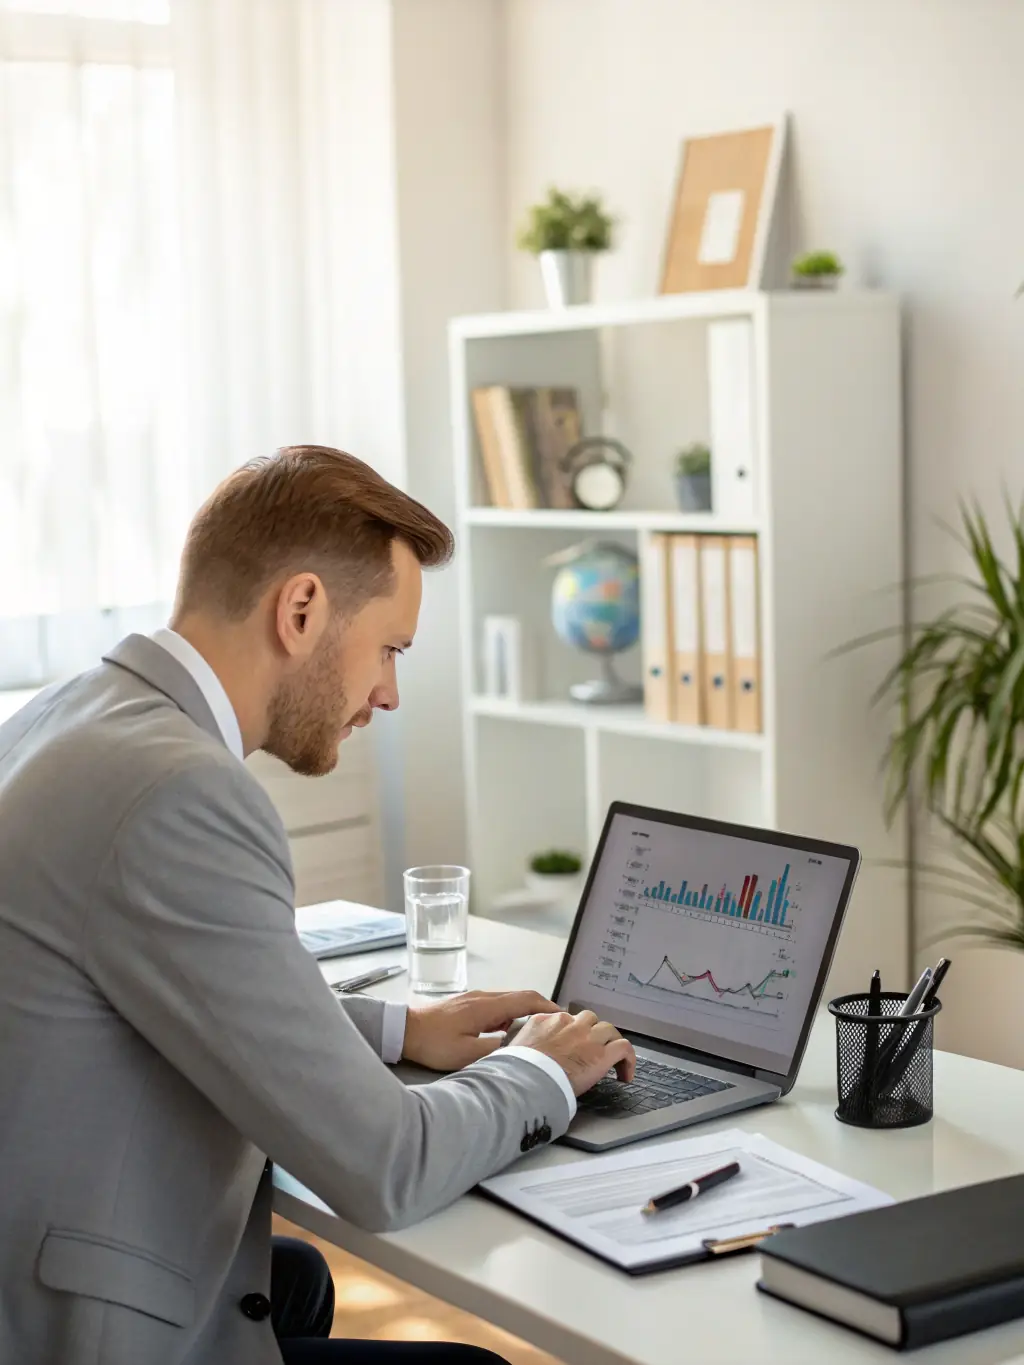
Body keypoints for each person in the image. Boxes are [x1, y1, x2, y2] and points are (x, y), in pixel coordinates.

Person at [0, 445, 636, 1365]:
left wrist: (395, 1029)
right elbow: (388, 1166)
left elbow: (149, 987)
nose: (388, 691)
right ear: (301, 610)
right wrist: (542, 1067)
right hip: (77, 1333)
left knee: (295, 1280)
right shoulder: (181, 793)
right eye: (389, 648)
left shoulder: (67, 716)